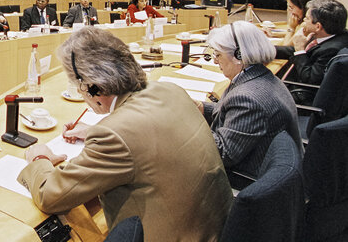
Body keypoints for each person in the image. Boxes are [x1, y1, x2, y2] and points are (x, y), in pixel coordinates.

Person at [18, 27, 232, 240]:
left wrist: (40, 158)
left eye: (78, 86)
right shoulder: (170, 90)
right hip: (217, 228)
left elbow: (51, 196)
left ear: (92, 88)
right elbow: (148, 135)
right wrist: (94, 130)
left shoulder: (112, 137)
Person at [198, 22, 301, 180]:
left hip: (244, 177)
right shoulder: (258, 75)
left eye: (218, 54)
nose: (215, 61)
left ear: (239, 56)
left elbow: (223, 154)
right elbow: (231, 114)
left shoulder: (247, 98)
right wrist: (202, 108)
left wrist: (186, 125)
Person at [275, 0, 348, 100]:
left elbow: (309, 79)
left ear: (318, 26)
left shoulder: (331, 50)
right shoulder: (334, 34)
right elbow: (303, 52)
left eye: (307, 18)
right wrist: (268, 50)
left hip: (302, 96)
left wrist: (300, 49)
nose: (304, 20)